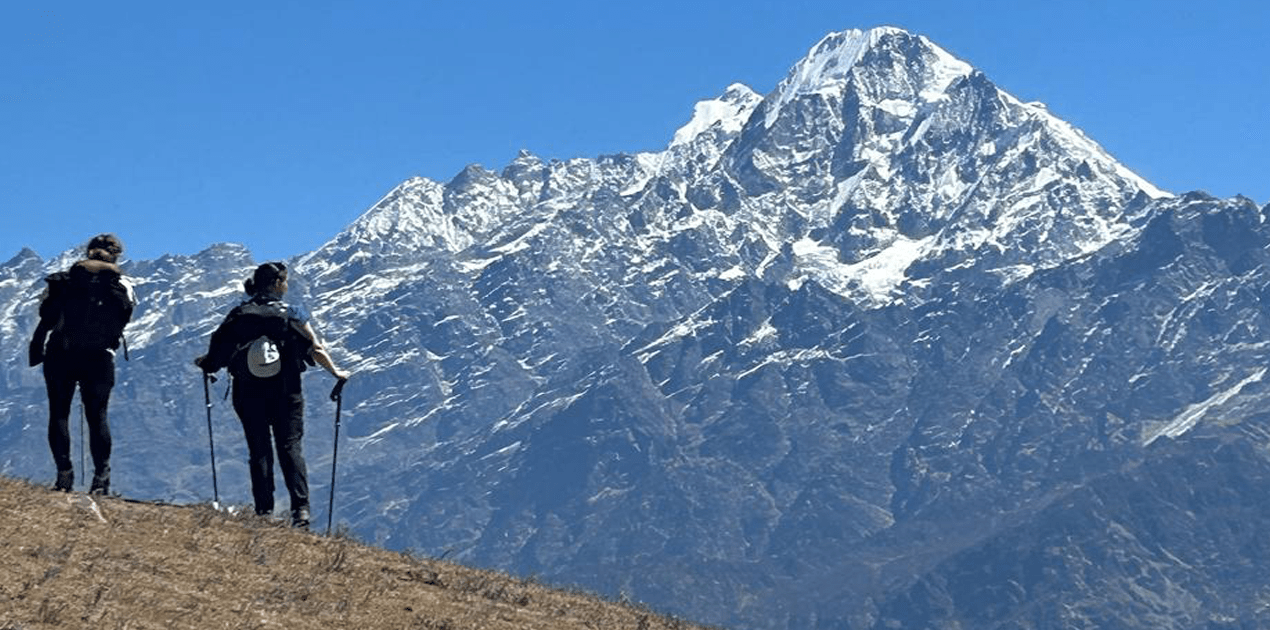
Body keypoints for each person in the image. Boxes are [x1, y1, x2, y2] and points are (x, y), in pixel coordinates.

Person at [194, 262, 349, 528]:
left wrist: (205, 365)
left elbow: (217, 354)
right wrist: (337, 373)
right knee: (290, 447)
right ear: (278, 283)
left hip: (248, 391)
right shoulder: (292, 313)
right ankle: (300, 510)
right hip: (287, 391)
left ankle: (264, 511)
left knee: (259, 449)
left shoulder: (239, 315)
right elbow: (315, 348)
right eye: (285, 281)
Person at [29, 233, 137, 495]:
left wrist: (36, 345)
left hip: (61, 352)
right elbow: (125, 318)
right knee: (97, 416)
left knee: (59, 413)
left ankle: (64, 475)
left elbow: (46, 316)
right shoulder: (122, 284)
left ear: (87, 251)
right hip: (99, 357)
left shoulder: (64, 281)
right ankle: (101, 478)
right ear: (116, 255)